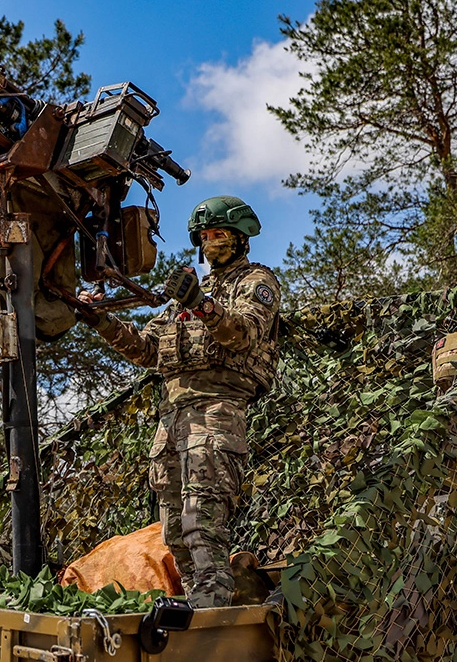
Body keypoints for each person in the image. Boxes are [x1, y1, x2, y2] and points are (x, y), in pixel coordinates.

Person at [77, 195, 280, 607]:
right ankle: (198, 602)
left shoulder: (256, 283)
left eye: (219, 234)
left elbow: (241, 333)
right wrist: (100, 320)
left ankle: (214, 611)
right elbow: (147, 349)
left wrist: (200, 306)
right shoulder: (184, 298)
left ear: (242, 237)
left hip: (216, 411)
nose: (210, 243)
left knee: (202, 521)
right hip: (171, 418)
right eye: (204, 236)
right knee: (173, 529)